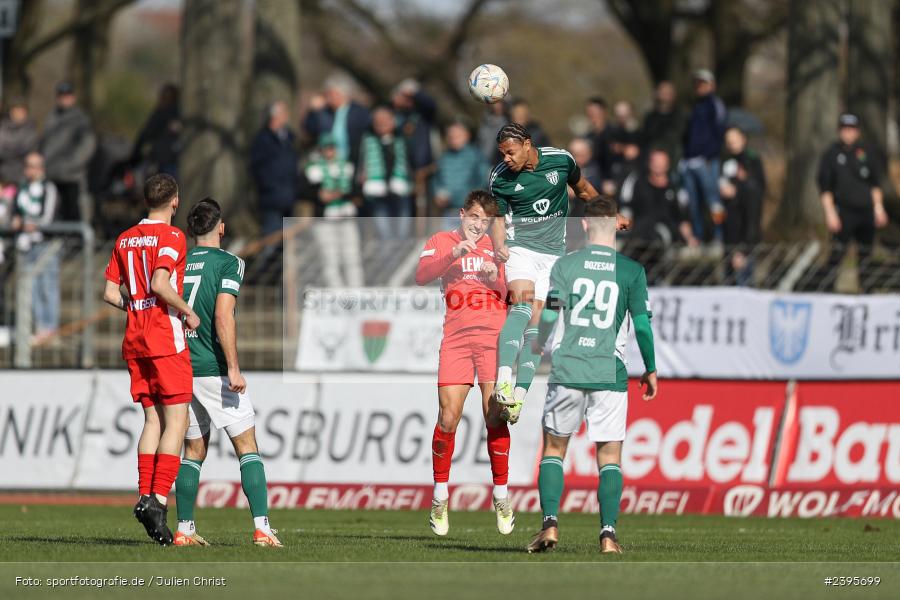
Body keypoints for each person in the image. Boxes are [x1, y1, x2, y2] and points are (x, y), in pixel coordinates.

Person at [527, 196, 658, 554]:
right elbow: (642, 327)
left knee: (554, 448)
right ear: (617, 224)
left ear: (585, 225)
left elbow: (551, 313)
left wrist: (539, 342)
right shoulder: (631, 271)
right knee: (610, 457)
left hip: (568, 366)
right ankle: (608, 535)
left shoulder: (565, 266)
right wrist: (650, 368)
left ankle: (550, 525)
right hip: (609, 372)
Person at [488, 123, 624, 424]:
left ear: (527, 144)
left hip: (553, 256)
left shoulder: (561, 161)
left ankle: (518, 398)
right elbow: (498, 220)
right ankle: (503, 381)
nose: (506, 159)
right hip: (519, 248)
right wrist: (499, 245)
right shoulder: (500, 178)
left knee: (539, 328)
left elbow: (584, 189)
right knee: (521, 307)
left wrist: (610, 214)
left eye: (511, 153)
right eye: (503, 154)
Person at [173, 198, 282, 548]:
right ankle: (263, 529)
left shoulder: (177, 261)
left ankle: (184, 529)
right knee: (247, 446)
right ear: (221, 227)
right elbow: (223, 316)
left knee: (193, 449)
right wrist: (233, 367)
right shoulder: (230, 262)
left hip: (179, 366)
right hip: (214, 369)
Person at [102, 174, 200, 545]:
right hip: (165, 338)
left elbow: (110, 292)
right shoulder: (172, 236)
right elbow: (160, 283)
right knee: (178, 419)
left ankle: (145, 496)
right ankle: (158, 499)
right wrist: (187, 311)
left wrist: (135, 305)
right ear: (175, 202)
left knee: (152, 420)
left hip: (135, 340)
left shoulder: (125, 237)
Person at [415, 190, 512, 537]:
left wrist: (495, 275)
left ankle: (501, 496)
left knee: (494, 415)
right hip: (456, 339)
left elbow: (512, 295)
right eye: (473, 217)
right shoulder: (442, 240)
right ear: (462, 215)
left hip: (491, 338)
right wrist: (453, 255)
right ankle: (440, 497)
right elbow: (422, 274)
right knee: (448, 417)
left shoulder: (498, 248)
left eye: (484, 220)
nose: (478, 224)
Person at [817, 113, 888, 292]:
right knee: (837, 254)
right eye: (844, 129)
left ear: (857, 132)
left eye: (851, 130)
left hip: (866, 212)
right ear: (839, 131)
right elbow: (825, 188)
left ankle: (866, 290)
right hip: (843, 212)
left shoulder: (866, 153)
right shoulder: (831, 154)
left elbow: (875, 185)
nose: (848, 133)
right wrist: (830, 213)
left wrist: (879, 208)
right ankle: (827, 291)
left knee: (866, 255)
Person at [618, 148, 696, 279]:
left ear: (668, 164)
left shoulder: (676, 188)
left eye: (661, 162)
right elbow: (625, 211)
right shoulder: (636, 182)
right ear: (649, 163)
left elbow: (683, 218)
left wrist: (690, 239)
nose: (658, 165)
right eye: (655, 161)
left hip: (665, 237)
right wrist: (624, 232)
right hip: (638, 234)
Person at [12, 152, 60, 345]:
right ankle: (39, 326)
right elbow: (15, 213)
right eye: (28, 165)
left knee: (47, 286)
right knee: (30, 287)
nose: (31, 169)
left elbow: (46, 218)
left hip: (45, 243)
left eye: (35, 165)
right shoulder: (21, 188)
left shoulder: (49, 188)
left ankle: (50, 327)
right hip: (26, 244)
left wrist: (27, 223)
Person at [304, 133, 364, 287]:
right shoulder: (313, 169)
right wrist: (319, 195)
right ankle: (336, 295)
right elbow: (303, 191)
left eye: (332, 147)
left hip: (346, 217)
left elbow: (357, 191)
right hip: (324, 220)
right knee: (330, 259)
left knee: (352, 258)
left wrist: (341, 194)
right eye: (326, 148)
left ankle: (356, 293)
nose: (329, 151)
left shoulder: (347, 167)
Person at [40, 81, 96, 223]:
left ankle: (75, 243)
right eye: (61, 95)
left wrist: (69, 165)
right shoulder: (52, 117)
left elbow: (87, 146)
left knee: (72, 213)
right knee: (52, 213)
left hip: (72, 177)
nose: (64, 99)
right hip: (51, 175)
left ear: (73, 97)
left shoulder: (81, 119)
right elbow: (45, 143)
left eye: (67, 95)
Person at [680, 69, 727, 241]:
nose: (700, 87)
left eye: (704, 83)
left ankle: (719, 235)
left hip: (707, 161)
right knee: (693, 204)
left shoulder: (715, 104)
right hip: (690, 161)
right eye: (697, 83)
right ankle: (698, 237)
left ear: (712, 85)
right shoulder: (694, 106)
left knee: (714, 202)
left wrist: (709, 156)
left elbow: (720, 132)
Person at [358, 106, 413, 240]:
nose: (381, 124)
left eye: (385, 120)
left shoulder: (403, 138)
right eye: (378, 122)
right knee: (384, 233)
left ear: (393, 121)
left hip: (401, 191)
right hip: (378, 194)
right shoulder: (367, 140)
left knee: (403, 232)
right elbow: (361, 163)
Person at [719, 127, 765, 286]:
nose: (731, 142)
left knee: (744, 282)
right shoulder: (724, 160)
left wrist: (745, 250)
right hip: (729, 230)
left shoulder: (751, 160)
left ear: (743, 139)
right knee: (729, 279)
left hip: (744, 235)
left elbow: (753, 214)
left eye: (734, 138)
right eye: (728, 139)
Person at [249, 101, 299, 237]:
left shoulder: (288, 137)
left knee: (288, 238)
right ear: (276, 116)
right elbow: (257, 167)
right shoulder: (262, 139)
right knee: (272, 236)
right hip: (271, 197)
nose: (287, 116)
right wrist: (270, 186)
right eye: (284, 112)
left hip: (289, 196)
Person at [303, 75, 371, 166]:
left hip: (352, 160)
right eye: (326, 94)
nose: (327, 97)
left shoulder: (359, 112)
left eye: (331, 94)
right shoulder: (323, 112)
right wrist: (313, 111)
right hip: (328, 161)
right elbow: (309, 129)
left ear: (343, 94)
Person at [433, 121, 489, 230]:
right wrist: (437, 193)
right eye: (451, 136)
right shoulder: (444, 157)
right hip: (449, 211)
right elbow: (437, 179)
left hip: (470, 210)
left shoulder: (476, 156)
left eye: (457, 135)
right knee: (449, 244)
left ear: (467, 136)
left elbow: (483, 180)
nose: (453, 138)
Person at [130, 83, 181, 177]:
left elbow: (145, 135)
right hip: (175, 164)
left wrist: (133, 157)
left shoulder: (161, 113)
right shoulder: (181, 115)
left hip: (161, 163)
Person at [566, 138, 602, 251]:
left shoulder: (593, 171)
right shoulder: (568, 169)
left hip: (584, 222)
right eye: (572, 154)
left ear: (589, 154)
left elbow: (574, 191)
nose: (576, 157)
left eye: (579, 154)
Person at [640, 81, 685, 163]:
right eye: (663, 92)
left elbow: (677, 138)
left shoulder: (680, 116)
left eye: (668, 93)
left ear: (674, 95)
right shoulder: (650, 117)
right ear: (656, 93)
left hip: (673, 160)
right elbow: (645, 138)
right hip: (652, 160)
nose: (665, 95)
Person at [0, 99, 38, 185]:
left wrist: (9, 149)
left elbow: (27, 151)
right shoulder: (3, 129)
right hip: (3, 176)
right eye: (16, 111)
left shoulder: (31, 130)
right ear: (11, 112)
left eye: (21, 111)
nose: (18, 114)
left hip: (24, 177)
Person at [584, 97, 612, 178]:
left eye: (594, 112)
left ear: (604, 112)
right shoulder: (587, 137)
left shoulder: (615, 133)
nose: (592, 115)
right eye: (589, 113)